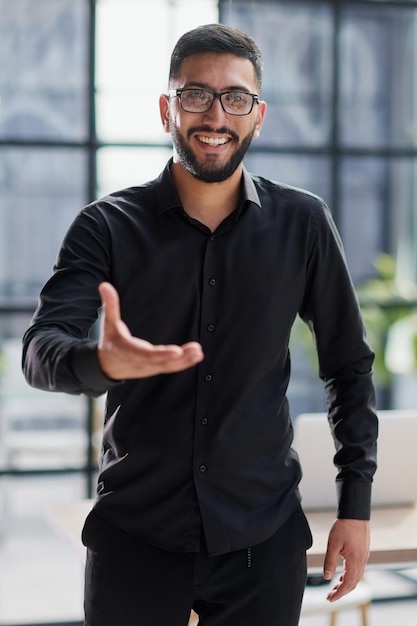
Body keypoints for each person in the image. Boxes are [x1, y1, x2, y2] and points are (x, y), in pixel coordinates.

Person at [22, 23, 378, 626]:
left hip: (262, 541)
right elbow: (40, 350)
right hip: (136, 537)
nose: (215, 115)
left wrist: (356, 506)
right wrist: (100, 363)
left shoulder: (304, 224)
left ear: (257, 116)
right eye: (196, 95)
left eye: (235, 98)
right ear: (167, 108)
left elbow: (348, 366)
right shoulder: (106, 225)